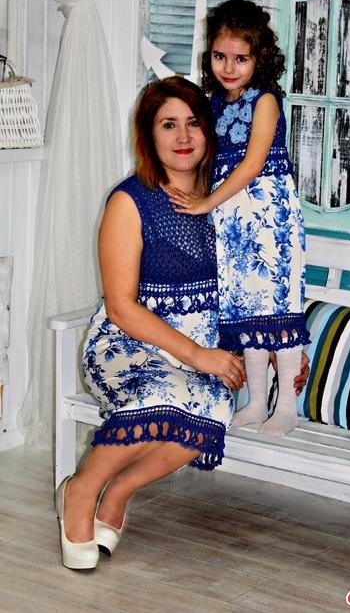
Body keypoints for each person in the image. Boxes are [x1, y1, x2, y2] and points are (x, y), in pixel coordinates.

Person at [55, 76, 308, 571]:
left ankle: (119, 490)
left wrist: (285, 349)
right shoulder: (130, 201)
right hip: (128, 346)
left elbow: (264, 282)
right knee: (167, 394)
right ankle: (80, 490)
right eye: (168, 125)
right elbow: (122, 308)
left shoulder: (229, 199)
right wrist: (198, 355)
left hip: (206, 354)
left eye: (193, 122)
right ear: (148, 135)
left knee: (212, 406)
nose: (184, 136)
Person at [167, 0, 310, 438]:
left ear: (259, 58)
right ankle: (256, 401)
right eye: (220, 56)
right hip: (231, 219)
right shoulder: (212, 102)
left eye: (240, 58)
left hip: (269, 216)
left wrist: (206, 203)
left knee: (276, 305)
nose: (229, 67)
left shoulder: (265, 100)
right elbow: (206, 157)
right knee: (244, 306)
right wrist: (199, 196)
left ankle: (287, 406)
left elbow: (251, 164)